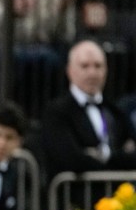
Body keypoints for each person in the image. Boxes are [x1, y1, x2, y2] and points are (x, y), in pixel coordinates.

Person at [39, 40, 136, 179]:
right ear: (70, 71)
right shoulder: (56, 112)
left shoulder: (116, 111)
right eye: (84, 66)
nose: (92, 73)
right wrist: (117, 159)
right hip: (75, 198)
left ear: (106, 70)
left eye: (98, 66)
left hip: (116, 197)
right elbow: (70, 160)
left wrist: (103, 156)